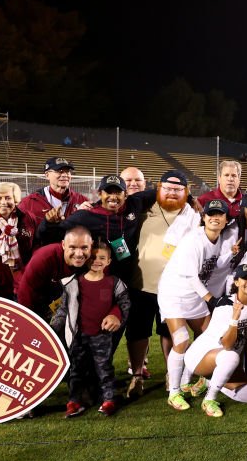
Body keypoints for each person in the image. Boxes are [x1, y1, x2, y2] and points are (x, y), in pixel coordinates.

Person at [159, 200, 239, 411]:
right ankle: (174, 392)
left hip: (194, 295)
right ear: (203, 218)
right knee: (181, 339)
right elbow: (191, 276)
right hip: (174, 294)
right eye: (210, 214)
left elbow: (215, 265)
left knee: (210, 337)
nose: (214, 217)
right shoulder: (193, 240)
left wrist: (231, 252)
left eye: (219, 214)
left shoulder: (219, 239)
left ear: (225, 220)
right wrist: (211, 299)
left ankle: (187, 381)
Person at [125, 170, 199, 392]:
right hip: (142, 282)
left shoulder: (193, 215)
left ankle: (171, 373)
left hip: (175, 286)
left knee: (169, 331)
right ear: (158, 188)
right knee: (138, 331)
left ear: (186, 192)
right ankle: (137, 375)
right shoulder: (143, 209)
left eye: (178, 189)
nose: (172, 193)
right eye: (167, 188)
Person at [51, 240, 131, 418]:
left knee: (104, 368)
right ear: (86, 259)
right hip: (78, 336)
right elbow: (64, 309)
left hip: (102, 335)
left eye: (102, 258)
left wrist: (115, 315)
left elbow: (123, 304)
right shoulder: (74, 283)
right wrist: (53, 328)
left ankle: (109, 400)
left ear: (109, 261)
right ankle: (74, 402)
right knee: (76, 369)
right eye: (93, 257)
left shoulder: (114, 283)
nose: (97, 261)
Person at [39, 175, 156, 287]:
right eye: (108, 192)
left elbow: (162, 190)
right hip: (99, 278)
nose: (113, 197)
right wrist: (48, 223)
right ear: (100, 193)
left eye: (118, 192)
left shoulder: (134, 203)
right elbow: (50, 237)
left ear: (125, 195)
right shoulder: (86, 215)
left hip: (129, 278)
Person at [181, 264, 247, 417]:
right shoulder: (225, 306)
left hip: (223, 359)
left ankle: (209, 381)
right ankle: (209, 399)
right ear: (237, 282)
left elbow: (246, 338)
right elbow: (227, 345)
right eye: (245, 278)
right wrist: (234, 319)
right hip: (200, 356)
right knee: (231, 356)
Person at [17, 226, 94, 319]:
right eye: (72, 247)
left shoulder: (95, 261)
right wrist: (28, 320)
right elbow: (25, 292)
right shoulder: (44, 257)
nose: (79, 254)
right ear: (63, 245)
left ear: (91, 246)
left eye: (84, 248)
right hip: (33, 299)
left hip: (66, 303)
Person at [18, 157, 89, 233]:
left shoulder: (82, 201)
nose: (65, 175)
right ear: (47, 175)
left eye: (67, 171)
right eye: (60, 171)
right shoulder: (29, 203)